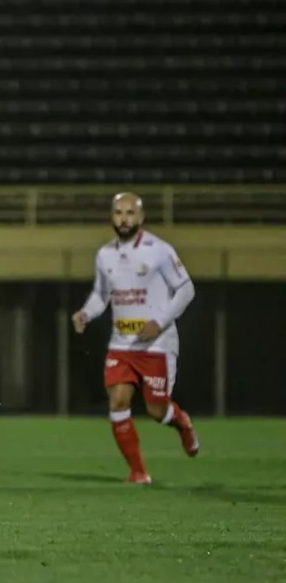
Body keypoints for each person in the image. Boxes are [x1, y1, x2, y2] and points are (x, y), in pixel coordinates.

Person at [72, 192, 199, 484]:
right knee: (118, 401)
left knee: (157, 409)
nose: (124, 218)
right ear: (112, 217)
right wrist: (86, 314)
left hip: (157, 344)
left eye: (130, 213)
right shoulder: (105, 255)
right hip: (122, 344)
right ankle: (138, 472)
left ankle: (182, 423)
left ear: (140, 217)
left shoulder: (159, 250)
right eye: (118, 213)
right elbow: (102, 294)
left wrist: (160, 321)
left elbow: (186, 289)